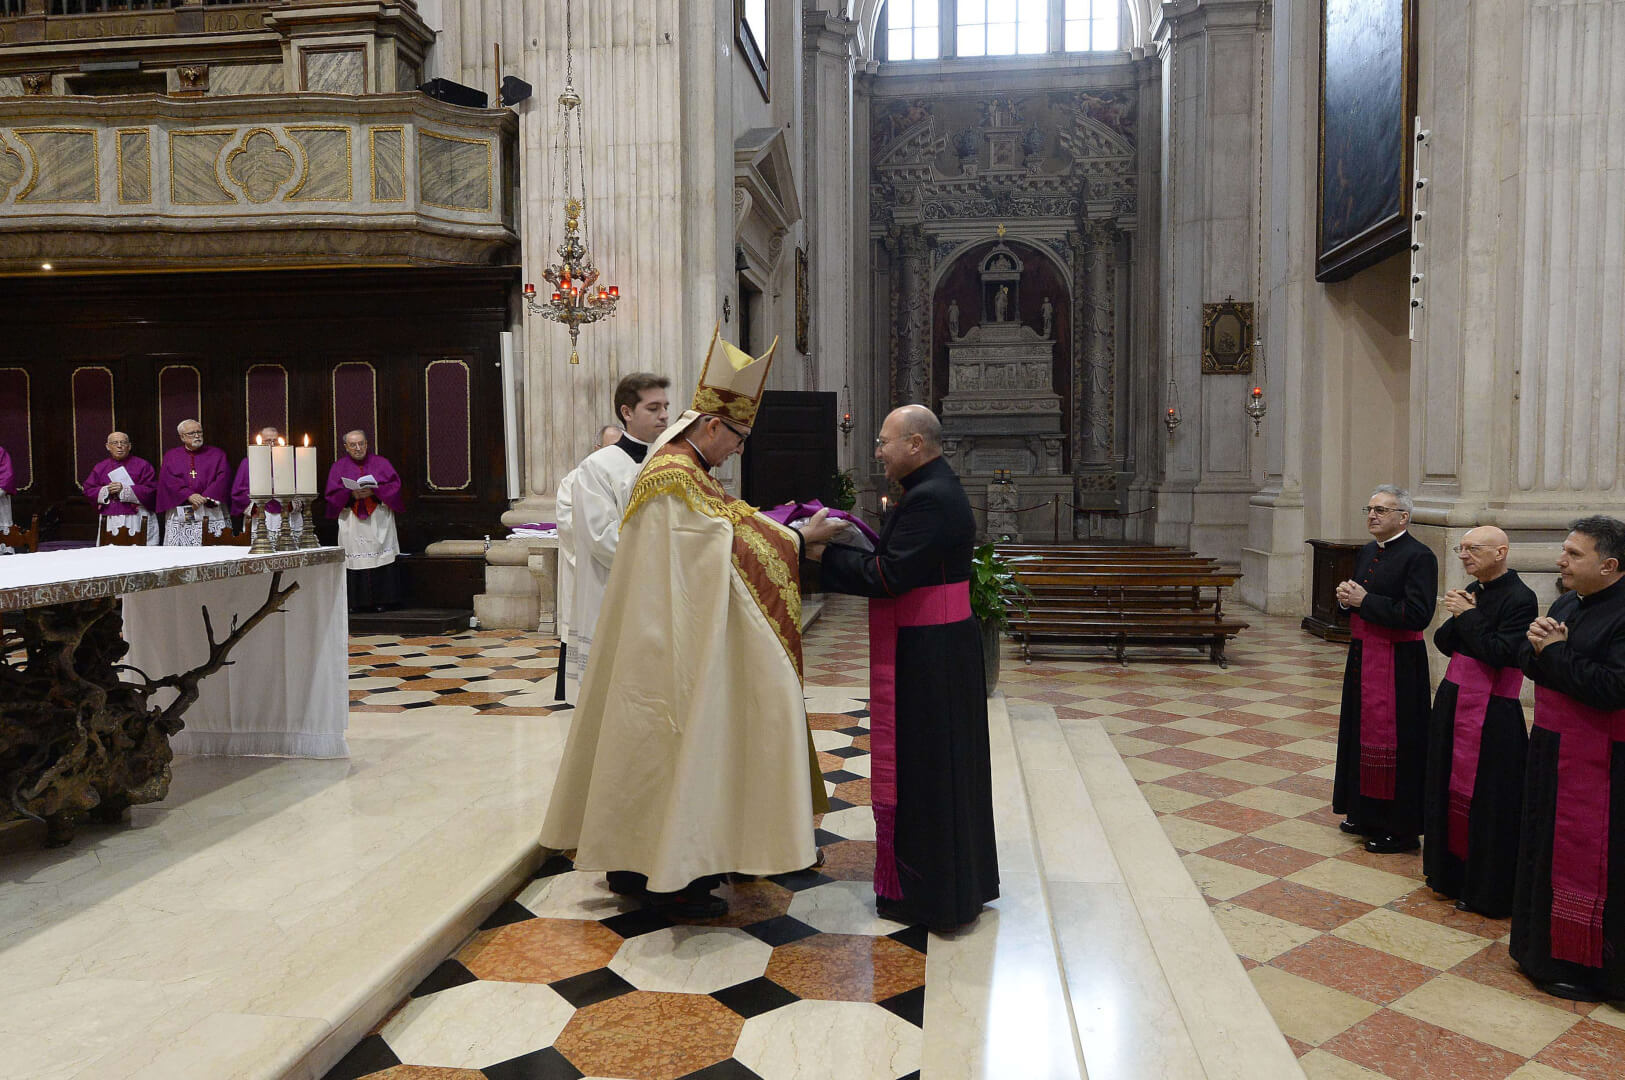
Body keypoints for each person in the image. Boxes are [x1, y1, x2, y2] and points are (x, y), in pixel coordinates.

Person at [540, 330, 825, 917]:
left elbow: (722, 522)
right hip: (667, 645)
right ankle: (671, 880)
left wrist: (774, 527)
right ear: (713, 426)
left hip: (665, 634)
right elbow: (712, 542)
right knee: (670, 749)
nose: (740, 450)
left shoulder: (683, 467)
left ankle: (634, 864)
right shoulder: (675, 474)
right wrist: (797, 538)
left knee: (649, 750)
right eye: (739, 437)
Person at [801, 404, 999, 932]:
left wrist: (820, 556)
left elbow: (889, 577)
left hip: (932, 655)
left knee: (929, 769)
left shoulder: (930, 497)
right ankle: (954, 884)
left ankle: (932, 897)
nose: (878, 452)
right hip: (939, 647)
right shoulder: (933, 488)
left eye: (884, 441)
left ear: (915, 443)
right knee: (942, 766)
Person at [1514, 516, 1625, 1003]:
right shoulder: (1566, 601)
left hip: (1602, 763)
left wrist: (1554, 652)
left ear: (1610, 565)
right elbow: (1532, 661)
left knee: (1595, 864)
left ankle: (1587, 968)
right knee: (1542, 846)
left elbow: (1613, 689)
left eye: (1574, 554)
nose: (1560, 561)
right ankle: (1540, 952)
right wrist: (1535, 644)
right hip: (1553, 748)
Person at [1423, 526, 1536, 916]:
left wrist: (1468, 616)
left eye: (1473, 548)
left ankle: (1485, 888)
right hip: (1455, 699)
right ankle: (1447, 875)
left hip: (1493, 710)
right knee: (1444, 783)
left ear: (1500, 552)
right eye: (1462, 548)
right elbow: (1443, 642)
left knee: (1490, 799)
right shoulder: (1475, 590)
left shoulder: (1521, 597)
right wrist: (1462, 616)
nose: (1464, 555)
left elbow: (1500, 653)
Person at [1332, 485, 1437, 854]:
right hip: (1364, 655)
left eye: (1381, 510)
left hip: (1399, 663)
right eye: (1370, 508)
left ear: (1403, 517)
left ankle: (1400, 828)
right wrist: (1346, 600)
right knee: (1358, 734)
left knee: (1399, 743)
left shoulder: (1419, 556)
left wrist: (1365, 600)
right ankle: (1364, 812)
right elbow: (1360, 601)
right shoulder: (1367, 551)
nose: (1372, 515)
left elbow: (1419, 614)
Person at [558, 374, 670, 703]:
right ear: (627, 412)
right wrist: (665, 555)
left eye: (665, 407)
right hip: (615, 590)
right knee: (612, 698)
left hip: (661, 595)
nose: (664, 415)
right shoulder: (597, 467)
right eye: (653, 408)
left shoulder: (671, 462)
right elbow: (602, 537)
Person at [553, 423, 625, 703]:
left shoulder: (630, 475)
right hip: (590, 572)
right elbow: (571, 527)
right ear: (597, 449)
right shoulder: (574, 481)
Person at [323, 429, 405, 612]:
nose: (358, 448)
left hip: (378, 518)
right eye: (353, 445)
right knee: (355, 559)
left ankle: (385, 601)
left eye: (361, 443)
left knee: (381, 557)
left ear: (367, 444)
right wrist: (350, 494)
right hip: (352, 521)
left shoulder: (381, 463)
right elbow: (331, 495)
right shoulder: (338, 467)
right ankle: (357, 603)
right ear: (346, 447)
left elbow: (395, 487)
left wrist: (375, 491)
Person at [156, 419, 231, 545]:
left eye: (199, 432)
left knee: (213, 548)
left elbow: (223, 477)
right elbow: (168, 480)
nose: (197, 436)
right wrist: (188, 495)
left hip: (210, 508)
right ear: (182, 437)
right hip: (183, 507)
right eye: (191, 433)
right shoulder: (171, 456)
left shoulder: (217, 454)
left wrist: (205, 496)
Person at [82, 431, 160, 545]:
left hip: (137, 517)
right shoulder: (100, 467)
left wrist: (125, 489)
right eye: (115, 443)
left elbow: (152, 490)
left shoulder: (143, 465)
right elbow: (88, 490)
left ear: (129, 446)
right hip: (110, 518)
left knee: (139, 552)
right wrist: (106, 490)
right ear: (108, 446)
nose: (119, 446)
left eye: (123, 442)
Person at [230, 426, 302, 540]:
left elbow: (302, 487)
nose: (272, 444)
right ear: (260, 442)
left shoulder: (290, 462)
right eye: (268, 441)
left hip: (287, 513)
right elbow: (239, 491)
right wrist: (256, 506)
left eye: (275, 441)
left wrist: (289, 503)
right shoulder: (248, 463)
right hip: (260, 514)